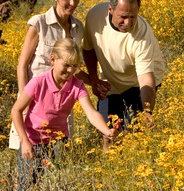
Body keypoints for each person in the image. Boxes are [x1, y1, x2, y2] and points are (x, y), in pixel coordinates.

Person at [11, 38, 116, 190]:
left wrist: (106, 130)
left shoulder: (77, 86)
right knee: (26, 185)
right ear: (52, 59)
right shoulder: (38, 82)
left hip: (58, 143)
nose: (69, 70)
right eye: (66, 65)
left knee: (55, 184)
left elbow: (91, 113)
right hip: (32, 142)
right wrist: (24, 141)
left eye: (74, 66)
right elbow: (16, 110)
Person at [9, 0, 89, 149]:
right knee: (28, 153)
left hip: (61, 104)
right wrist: (25, 102)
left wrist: (95, 82)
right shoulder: (40, 23)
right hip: (34, 101)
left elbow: (73, 68)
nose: (72, 3)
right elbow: (22, 66)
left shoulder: (77, 28)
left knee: (56, 158)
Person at [83, 0, 165, 130]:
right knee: (107, 130)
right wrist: (94, 79)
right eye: (123, 17)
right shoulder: (95, 16)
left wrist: (147, 112)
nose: (128, 23)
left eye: (133, 17)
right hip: (111, 80)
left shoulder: (142, 36)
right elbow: (89, 49)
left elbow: (146, 80)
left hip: (138, 83)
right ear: (110, 10)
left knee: (134, 129)